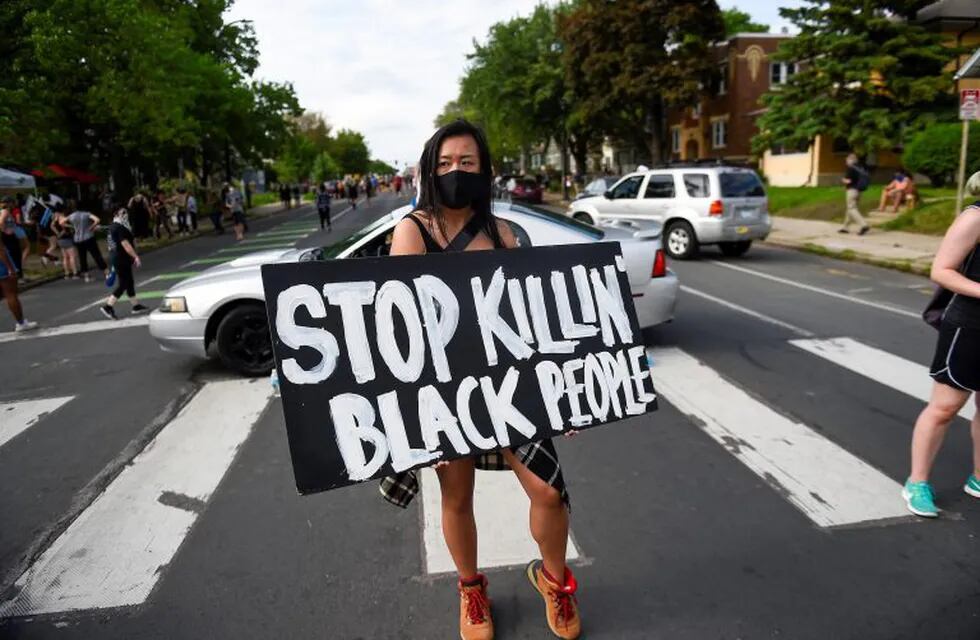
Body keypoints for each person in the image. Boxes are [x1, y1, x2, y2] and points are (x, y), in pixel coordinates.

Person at [383, 119, 581, 640]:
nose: (456, 172)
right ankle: (471, 589)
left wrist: (569, 396)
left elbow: (533, 322)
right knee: (456, 495)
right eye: (445, 163)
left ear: (485, 170)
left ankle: (555, 581)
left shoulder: (505, 236)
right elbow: (402, 332)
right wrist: (422, 418)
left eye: (466, 162)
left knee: (548, 493)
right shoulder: (413, 231)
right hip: (445, 391)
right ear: (429, 170)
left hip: (509, 385)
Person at [904, 170, 980, 518]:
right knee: (945, 408)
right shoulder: (974, 217)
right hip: (970, 326)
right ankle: (917, 482)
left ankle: (978, 478)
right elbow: (943, 270)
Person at [100, 207, 148, 318]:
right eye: (122, 213)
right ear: (116, 214)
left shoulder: (112, 227)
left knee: (129, 281)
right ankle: (108, 306)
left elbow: (112, 244)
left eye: (126, 212)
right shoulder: (120, 228)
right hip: (121, 258)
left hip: (116, 257)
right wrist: (135, 256)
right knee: (124, 283)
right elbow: (125, 244)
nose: (125, 215)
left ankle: (136, 306)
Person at [0, 241, 37, 332]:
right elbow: (1, 250)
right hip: (2, 266)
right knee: (11, 294)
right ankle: (21, 323)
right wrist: (10, 268)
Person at [68, 206, 107, 282]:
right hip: (88, 237)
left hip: (78, 239)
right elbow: (97, 220)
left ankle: (86, 276)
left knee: (82, 257)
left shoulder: (72, 216)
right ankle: (106, 272)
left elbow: (61, 222)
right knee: (96, 254)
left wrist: (72, 227)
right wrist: (92, 227)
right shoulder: (86, 214)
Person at [840, 153, 870, 235]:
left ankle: (864, 225)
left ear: (851, 160)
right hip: (859, 191)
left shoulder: (851, 168)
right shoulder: (860, 168)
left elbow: (848, 181)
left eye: (847, 160)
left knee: (852, 208)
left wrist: (843, 180)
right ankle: (845, 227)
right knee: (850, 209)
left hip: (852, 191)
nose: (846, 161)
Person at [51, 206, 80, 279]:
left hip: (60, 241)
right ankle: (75, 273)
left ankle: (67, 273)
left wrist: (58, 234)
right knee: (72, 257)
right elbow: (64, 226)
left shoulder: (54, 220)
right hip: (67, 239)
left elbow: (51, 226)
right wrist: (71, 227)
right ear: (62, 212)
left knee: (65, 257)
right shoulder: (63, 219)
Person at [0, 197, 24, 278]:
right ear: (9, 203)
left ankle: (18, 274)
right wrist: (5, 232)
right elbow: (1, 222)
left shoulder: (6, 212)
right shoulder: (5, 212)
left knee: (15, 255)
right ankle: (18, 275)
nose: (14, 205)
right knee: (15, 255)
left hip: (10, 236)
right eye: (13, 203)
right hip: (9, 237)